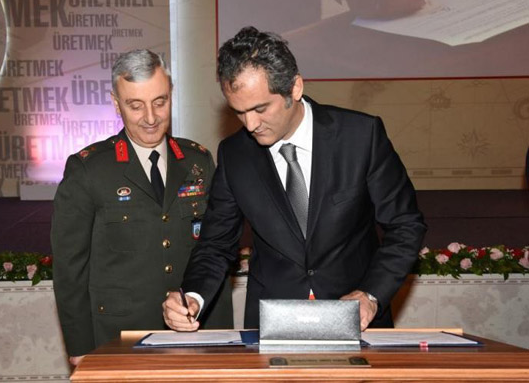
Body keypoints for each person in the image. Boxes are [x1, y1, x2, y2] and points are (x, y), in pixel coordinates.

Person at [163, 26, 427, 332]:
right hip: (272, 325)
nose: (250, 124)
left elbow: (405, 225)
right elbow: (215, 244)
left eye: (260, 108)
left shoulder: (360, 137)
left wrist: (370, 294)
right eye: (239, 112)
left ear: (295, 88)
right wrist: (193, 297)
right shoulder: (235, 155)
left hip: (358, 320)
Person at [51, 49, 232, 366]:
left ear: (171, 94)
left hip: (195, 334)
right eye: (135, 105)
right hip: (120, 338)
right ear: (116, 103)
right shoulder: (89, 170)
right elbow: (70, 269)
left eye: (160, 102)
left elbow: (214, 246)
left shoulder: (198, 161)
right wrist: (80, 347)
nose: (150, 117)